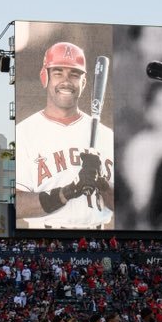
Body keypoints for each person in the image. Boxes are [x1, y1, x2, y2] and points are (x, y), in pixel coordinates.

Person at [15, 42, 115, 229]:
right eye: (58, 73)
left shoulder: (106, 135)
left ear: (83, 83)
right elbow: (16, 205)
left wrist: (102, 183)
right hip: (47, 237)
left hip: (98, 236)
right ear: (45, 77)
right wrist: (66, 192)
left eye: (74, 74)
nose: (66, 81)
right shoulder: (23, 133)